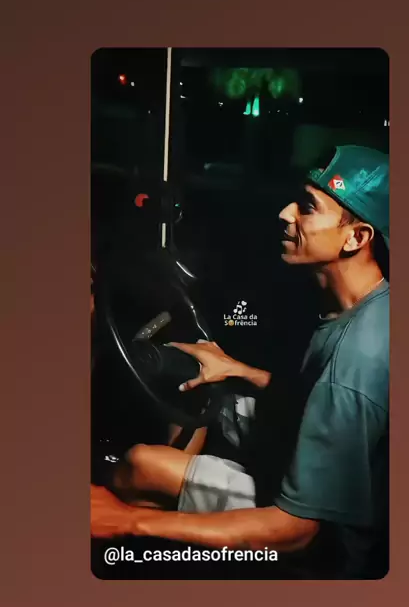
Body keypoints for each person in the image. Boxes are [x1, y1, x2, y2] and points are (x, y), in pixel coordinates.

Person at [91, 145, 390, 579]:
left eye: (307, 208)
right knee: (209, 387)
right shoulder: (367, 306)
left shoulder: (356, 355)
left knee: (138, 467)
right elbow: (324, 403)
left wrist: (127, 520)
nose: (286, 214)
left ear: (356, 238)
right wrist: (236, 369)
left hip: (328, 549)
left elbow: (298, 531)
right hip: (323, 479)